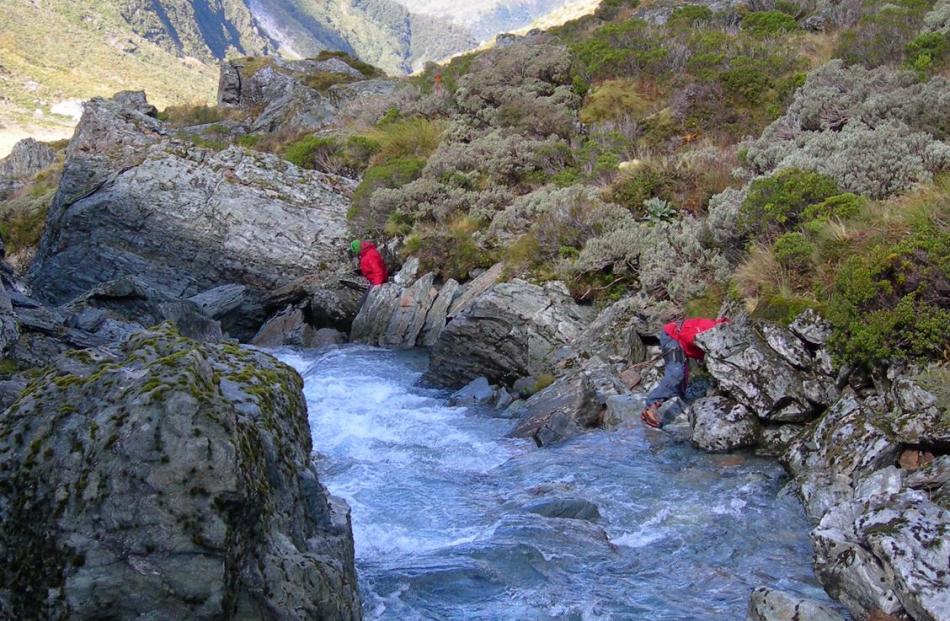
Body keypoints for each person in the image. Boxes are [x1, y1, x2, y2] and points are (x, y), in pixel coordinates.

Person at [641, 317, 729, 429]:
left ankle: (677, 400)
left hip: (679, 339)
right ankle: (651, 406)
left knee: (682, 377)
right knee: (676, 373)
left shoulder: (714, 331)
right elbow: (688, 338)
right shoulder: (706, 329)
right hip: (672, 337)